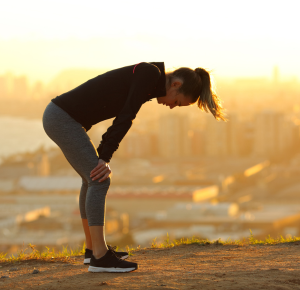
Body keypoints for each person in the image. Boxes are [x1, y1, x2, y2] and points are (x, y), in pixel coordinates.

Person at [42, 62, 226, 273]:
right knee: (99, 179)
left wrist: (102, 156)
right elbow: (126, 116)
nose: (173, 106)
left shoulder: (149, 77)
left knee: (90, 178)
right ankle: (99, 257)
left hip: (61, 117)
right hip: (62, 118)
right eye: (177, 101)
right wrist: (104, 157)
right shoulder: (149, 74)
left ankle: (92, 250)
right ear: (176, 84)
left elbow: (123, 114)